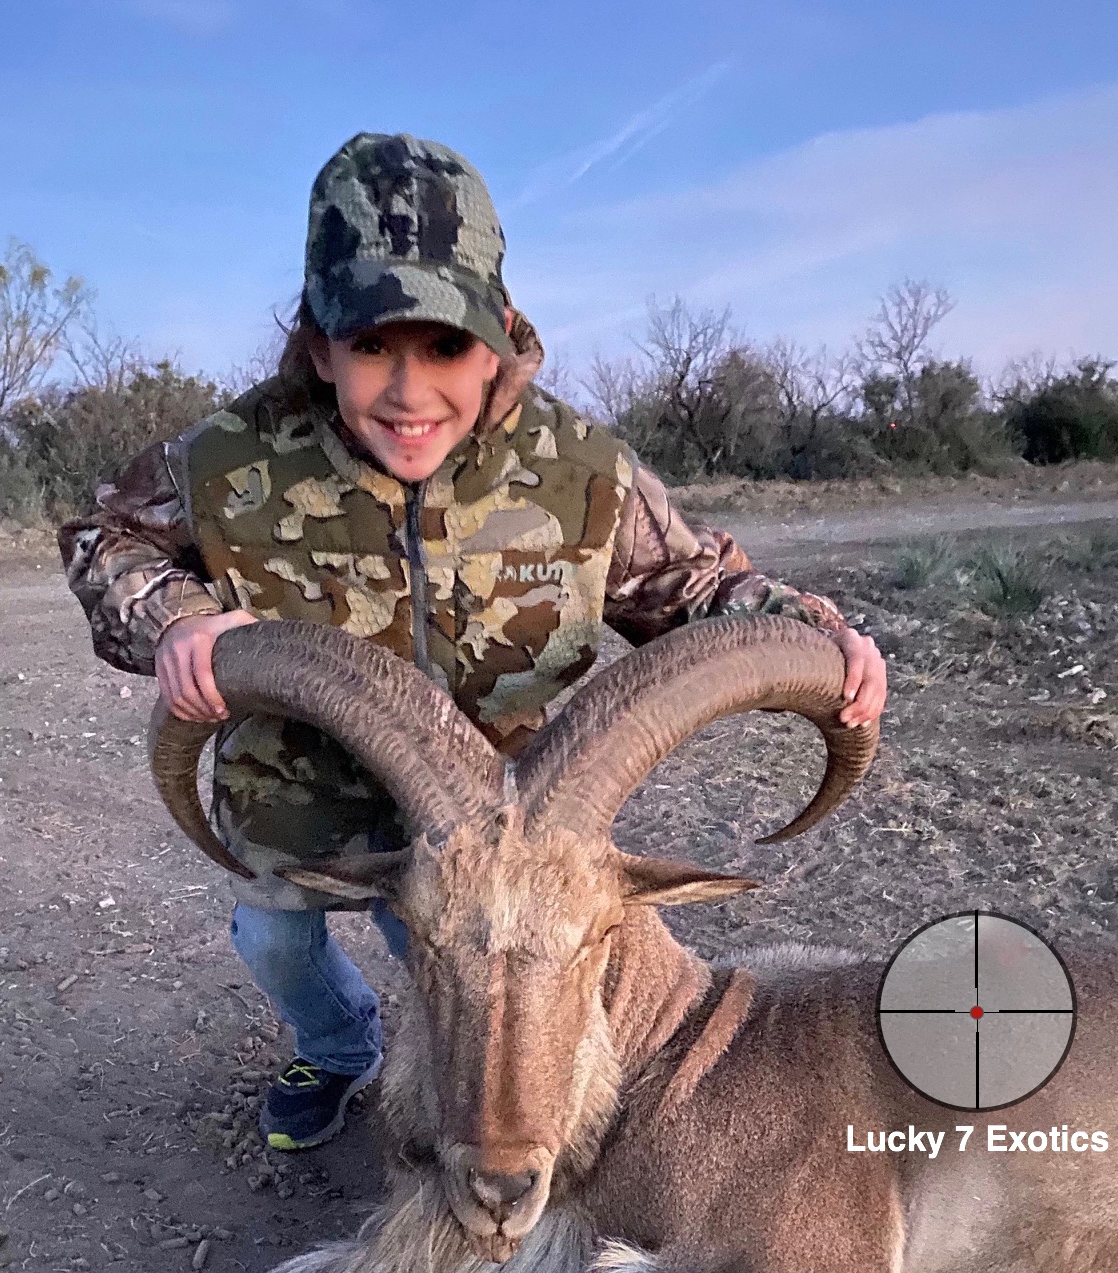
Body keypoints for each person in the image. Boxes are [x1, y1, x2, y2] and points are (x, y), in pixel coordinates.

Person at [61, 133, 887, 1151]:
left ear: (498, 336)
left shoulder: (583, 473)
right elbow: (107, 538)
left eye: (445, 347)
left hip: (496, 835)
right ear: (320, 345)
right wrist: (175, 621)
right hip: (294, 800)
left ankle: (485, 1112)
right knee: (274, 939)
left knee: (476, 987)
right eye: (372, 347)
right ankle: (337, 1045)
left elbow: (696, 588)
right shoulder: (231, 458)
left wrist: (815, 638)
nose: (410, 394)